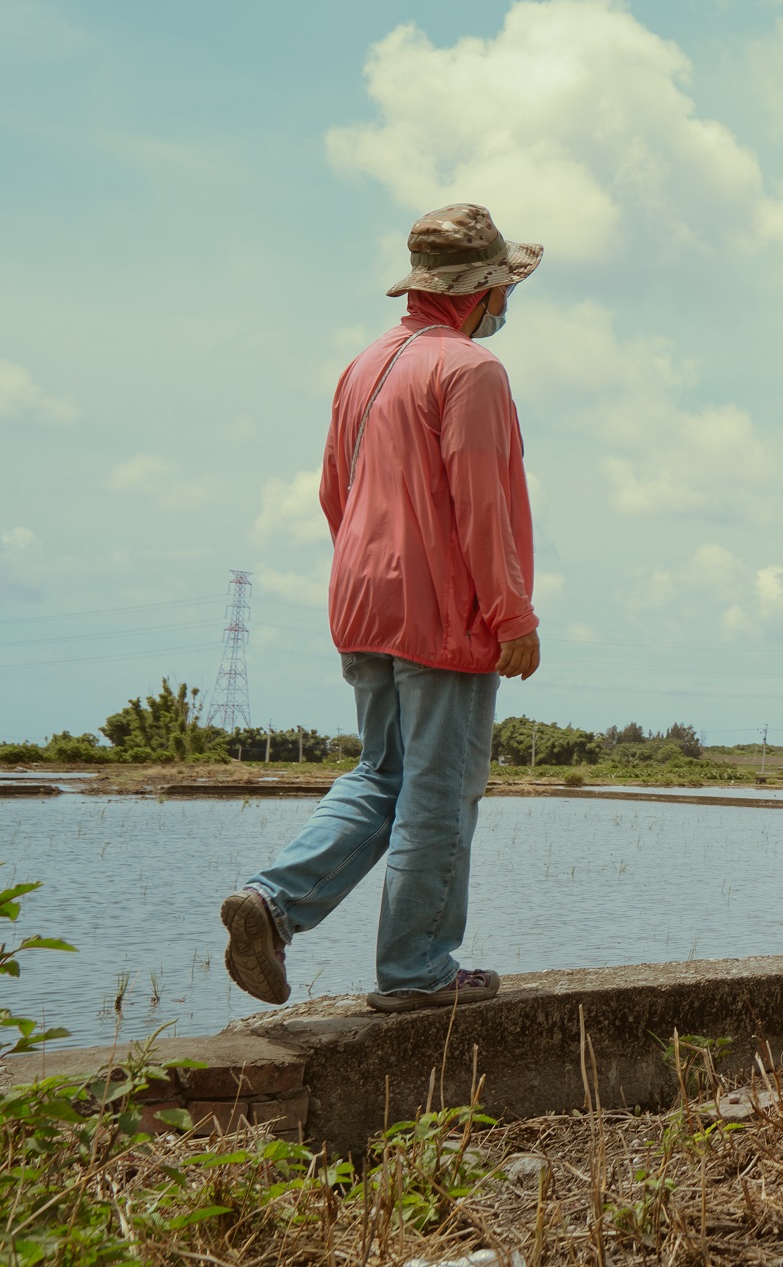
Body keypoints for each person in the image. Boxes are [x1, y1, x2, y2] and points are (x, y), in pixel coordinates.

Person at [218, 204, 544, 1014]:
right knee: (441, 789)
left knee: (381, 773)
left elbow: (336, 491)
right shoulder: (470, 370)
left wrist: (377, 570)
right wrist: (511, 614)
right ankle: (418, 969)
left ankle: (272, 901)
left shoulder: (363, 366)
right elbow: (481, 505)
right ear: (482, 288)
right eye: (505, 286)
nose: (508, 301)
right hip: (441, 611)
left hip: (363, 598)